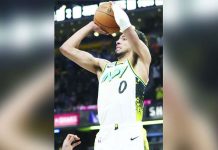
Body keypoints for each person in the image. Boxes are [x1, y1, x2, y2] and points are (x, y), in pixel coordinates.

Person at [59, 3, 151, 150]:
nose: (118, 40)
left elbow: (125, 25)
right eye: (119, 38)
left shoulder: (140, 61)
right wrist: (91, 25)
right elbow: (66, 49)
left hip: (130, 132)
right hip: (104, 135)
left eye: (124, 39)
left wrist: (113, 7)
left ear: (135, 44)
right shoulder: (104, 67)